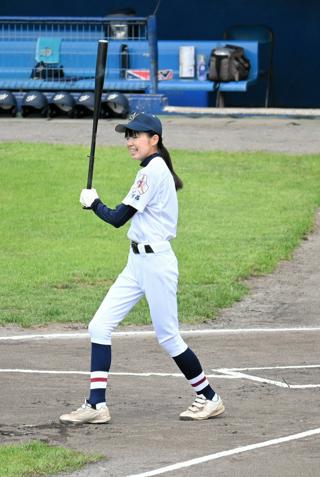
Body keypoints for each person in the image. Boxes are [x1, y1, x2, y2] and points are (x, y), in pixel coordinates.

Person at [60, 112, 225, 424]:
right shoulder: (151, 169)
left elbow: (118, 218)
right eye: (127, 135)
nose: (130, 141)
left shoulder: (152, 171)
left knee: (168, 337)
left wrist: (93, 203)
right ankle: (96, 405)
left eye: (136, 135)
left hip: (156, 264)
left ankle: (209, 397)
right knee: (100, 325)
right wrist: (95, 204)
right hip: (137, 263)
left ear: (155, 140)